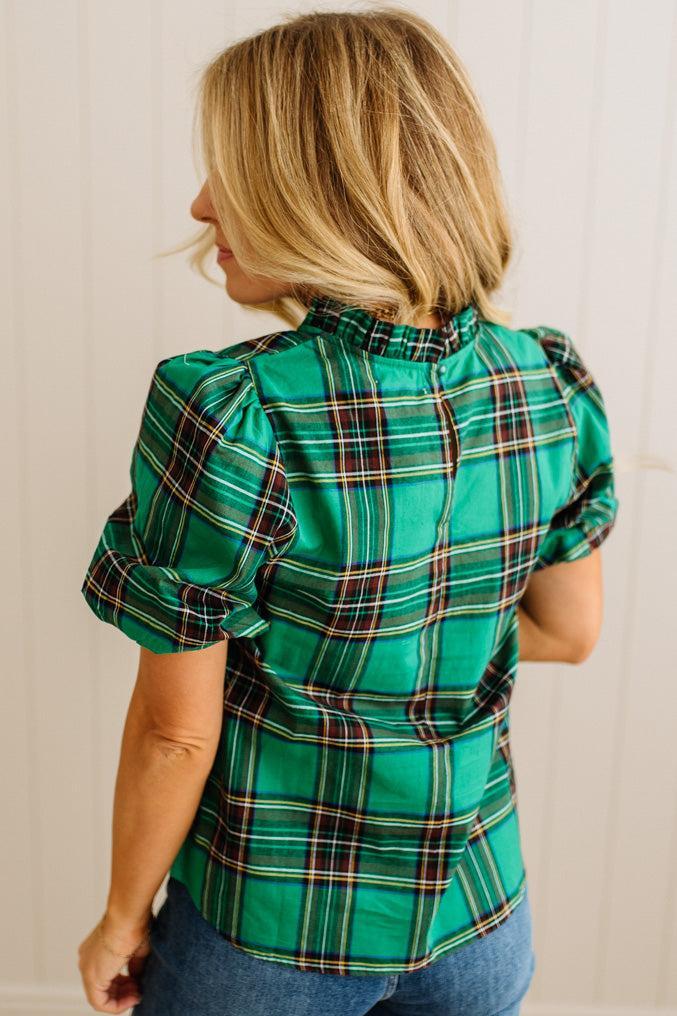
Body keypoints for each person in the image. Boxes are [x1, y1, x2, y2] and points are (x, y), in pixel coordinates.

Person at [76, 6, 619, 1015]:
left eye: (230, 176)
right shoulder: (544, 377)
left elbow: (172, 733)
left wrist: (121, 914)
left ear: (315, 197)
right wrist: (410, 630)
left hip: (271, 928)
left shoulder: (232, 410)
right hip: (478, 915)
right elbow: (568, 630)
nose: (200, 206)